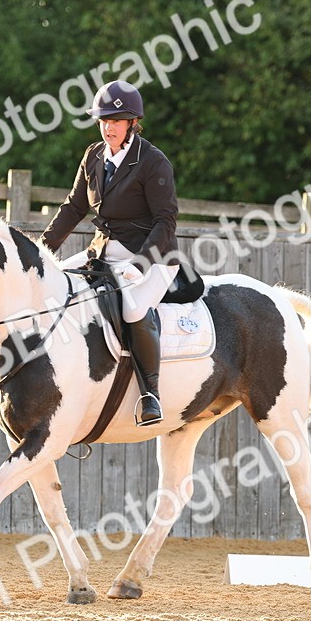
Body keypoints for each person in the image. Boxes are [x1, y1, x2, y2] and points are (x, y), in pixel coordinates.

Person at [41, 80, 180, 426]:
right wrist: (41, 251)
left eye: (116, 121)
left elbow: (166, 221)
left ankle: (151, 395)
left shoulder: (152, 161)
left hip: (154, 256)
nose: (108, 128)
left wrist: (142, 263)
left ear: (133, 122)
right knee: (53, 286)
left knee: (133, 310)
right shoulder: (93, 156)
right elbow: (74, 208)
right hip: (102, 255)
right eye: (104, 120)